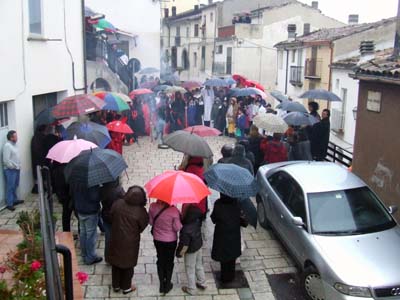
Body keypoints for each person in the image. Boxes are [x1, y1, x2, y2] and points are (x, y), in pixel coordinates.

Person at [107, 186, 149, 294]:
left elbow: (110, 216)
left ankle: (116, 285)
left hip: (116, 238)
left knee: (116, 263)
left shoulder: (118, 203)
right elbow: (143, 226)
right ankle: (126, 287)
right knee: (128, 264)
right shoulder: (141, 211)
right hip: (131, 242)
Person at [211, 194, 247, 284]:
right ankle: (231, 276)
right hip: (233, 236)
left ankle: (224, 277)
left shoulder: (218, 204)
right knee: (232, 258)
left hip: (222, 236)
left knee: (223, 259)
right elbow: (244, 223)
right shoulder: (237, 204)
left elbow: (213, 219)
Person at [149, 200, 182, 295]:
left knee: (160, 259)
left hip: (158, 239)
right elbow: (177, 228)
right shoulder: (174, 211)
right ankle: (167, 284)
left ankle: (161, 285)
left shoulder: (152, 206)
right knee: (169, 261)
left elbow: (151, 222)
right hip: (171, 241)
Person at [177, 205, 207, 295]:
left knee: (190, 268)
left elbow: (184, 245)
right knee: (199, 265)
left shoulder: (185, 229)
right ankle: (202, 283)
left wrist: (179, 254)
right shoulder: (197, 221)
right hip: (198, 246)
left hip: (191, 250)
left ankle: (191, 289)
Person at [71, 184, 102, 265]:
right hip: (90, 210)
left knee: (83, 232)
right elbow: (95, 197)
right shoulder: (92, 182)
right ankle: (91, 257)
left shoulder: (76, 178)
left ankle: (84, 254)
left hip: (80, 209)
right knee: (90, 234)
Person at [100, 180, 125, 262]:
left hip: (106, 217)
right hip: (116, 218)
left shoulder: (102, 189)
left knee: (108, 238)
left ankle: (107, 258)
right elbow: (124, 201)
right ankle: (116, 256)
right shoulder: (119, 190)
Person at [3, 130, 23, 211]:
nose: (17, 137)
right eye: (15, 136)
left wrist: (18, 166)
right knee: (10, 186)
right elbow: (6, 160)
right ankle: (9, 204)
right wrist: (13, 166)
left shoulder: (14, 145)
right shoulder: (7, 146)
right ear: (11, 138)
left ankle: (15, 200)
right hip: (10, 170)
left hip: (16, 168)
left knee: (15, 185)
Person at [31, 125, 47, 193]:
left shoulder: (34, 137)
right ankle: (40, 188)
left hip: (36, 159)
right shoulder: (42, 137)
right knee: (41, 174)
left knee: (38, 174)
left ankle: (40, 187)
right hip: (41, 159)